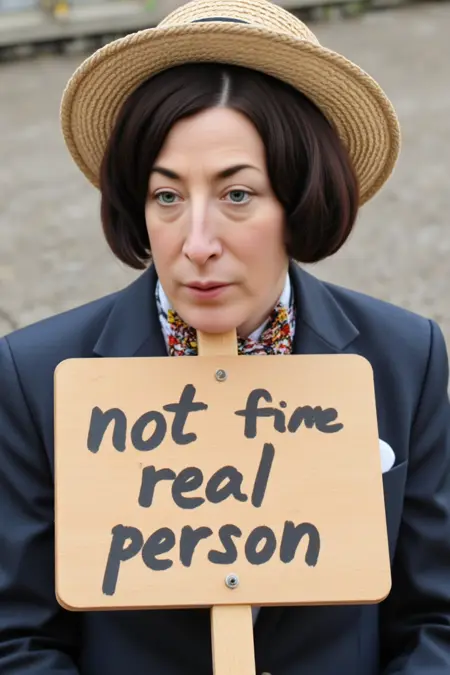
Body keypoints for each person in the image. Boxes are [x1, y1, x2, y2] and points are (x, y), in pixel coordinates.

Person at [1, 1, 449, 673]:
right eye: (167, 196)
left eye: (237, 195)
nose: (197, 243)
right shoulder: (37, 377)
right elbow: (17, 637)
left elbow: (436, 619)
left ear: (299, 198)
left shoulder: (405, 358)